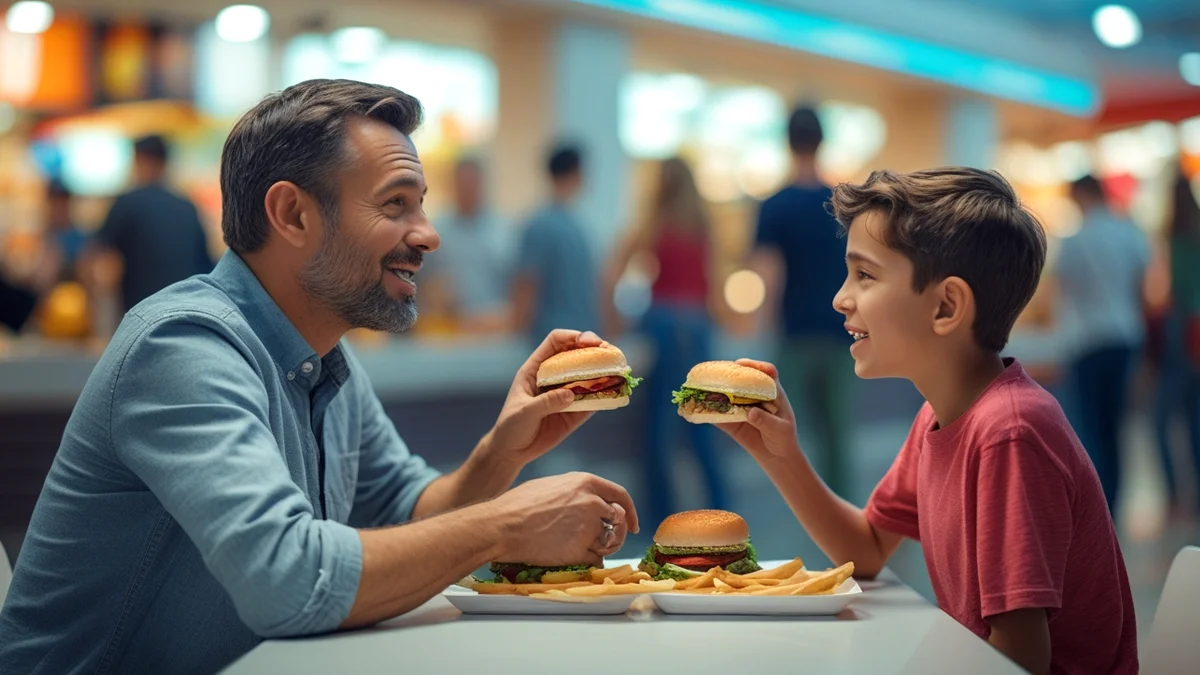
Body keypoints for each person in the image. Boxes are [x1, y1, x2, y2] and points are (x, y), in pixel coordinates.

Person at [0, 79, 637, 675]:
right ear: (293, 214)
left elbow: (407, 514)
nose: (429, 235)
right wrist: (508, 524)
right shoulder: (182, 345)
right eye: (396, 205)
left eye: (422, 206)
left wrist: (503, 451)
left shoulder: (326, 355)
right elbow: (288, 581)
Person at [719, 168, 1137, 674]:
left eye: (864, 275)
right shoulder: (941, 414)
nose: (840, 298)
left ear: (946, 306)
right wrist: (777, 453)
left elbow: (1020, 658)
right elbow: (867, 548)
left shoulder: (1010, 432)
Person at [602, 157, 727, 526]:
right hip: (699, 326)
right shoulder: (703, 225)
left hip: (662, 324)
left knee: (659, 426)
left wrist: (615, 322)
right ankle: (721, 512)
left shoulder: (654, 223)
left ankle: (661, 517)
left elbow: (611, 273)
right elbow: (717, 288)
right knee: (704, 420)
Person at [750, 106, 854, 496]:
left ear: (787, 142)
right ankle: (844, 517)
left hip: (794, 335)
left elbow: (769, 276)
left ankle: (800, 504)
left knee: (782, 434)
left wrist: (761, 329)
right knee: (837, 436)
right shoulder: (843, 205)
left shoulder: (774, 206)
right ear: (821, 141)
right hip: (841, 332)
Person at [1056, 174, 1151, 512]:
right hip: (1125, 338)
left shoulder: (1075, 240)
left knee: (1089, 431)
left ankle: (1096, 506)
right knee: (1116, 430)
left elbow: (1063, 291)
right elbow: (1142, 294)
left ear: (1083, 195)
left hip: (1085, 343)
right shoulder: (1129, 234)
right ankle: (1114, 505)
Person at [91, 134, 215, 314]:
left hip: (141, 316)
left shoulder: (128, 203)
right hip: (187, 312)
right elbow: (206, 264)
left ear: (139, 160)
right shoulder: (187, 206)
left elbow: (98, 259)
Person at [513, 143, 598, 344]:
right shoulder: (575, 230)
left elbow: (526, 286)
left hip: (558, 338)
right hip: (566, 338)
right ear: (577, 173)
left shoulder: (541, 224)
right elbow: (528, 286)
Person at [1154, 171, 1200, 520]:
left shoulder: (1173, 236)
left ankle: (1173, 494)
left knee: (1162, 420)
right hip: (1195, 336)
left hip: (1180, 333)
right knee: (1195, 418)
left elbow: (1171, 292)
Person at [424, 157, 513, 333]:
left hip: (494, 327)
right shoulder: (437, 232)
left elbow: (513, 283)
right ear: (453, 186)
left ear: (481, 185)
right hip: (451, 329)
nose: (467, 190)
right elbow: (425, 282)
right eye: (462, 184)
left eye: (472, 184)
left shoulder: (503, 230)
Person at [44, 180, 88, 283]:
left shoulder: (81, 239)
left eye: (62, 202)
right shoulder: (43, 239)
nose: (58, 208)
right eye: (55, 203)